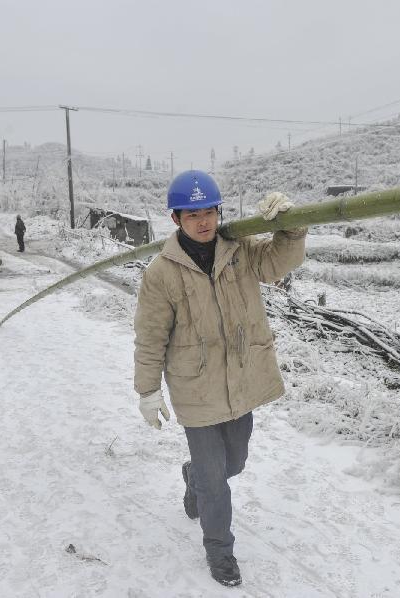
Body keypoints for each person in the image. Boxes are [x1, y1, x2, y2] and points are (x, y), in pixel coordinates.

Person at [133, 170, 306, 587]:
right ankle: (220, 550)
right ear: (176, 219)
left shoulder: (241, 249)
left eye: (210, 211)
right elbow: (150, 334)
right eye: (193, 214)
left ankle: (193, 475)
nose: (204, 221)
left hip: (241, 379)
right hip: (195, 387)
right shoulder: (162, 272)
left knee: (235, 463)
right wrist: (148, 390)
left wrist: (290, 226)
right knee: (216, 484)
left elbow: (280, 262)